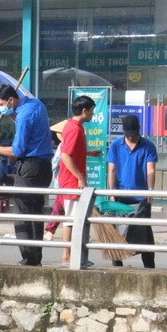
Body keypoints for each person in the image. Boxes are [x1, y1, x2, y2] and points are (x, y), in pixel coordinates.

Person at [0, 84, 55, 266]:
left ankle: (29, 257)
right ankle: (35, 257)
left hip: (31, 167)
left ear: (11, 100)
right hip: (44, 167)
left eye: (1, 104)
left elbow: (17, 150)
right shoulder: (36, 104)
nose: (1, 108)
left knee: (22, 212)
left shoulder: (23, 116)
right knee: (35, 213)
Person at [107, 114, 158, 269]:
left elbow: (151, 170)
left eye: (134, 134)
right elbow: (112, 170)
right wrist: (111, 192)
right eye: (129, 135)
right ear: (124, 132)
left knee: (144, 235)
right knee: (116, 235)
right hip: (120, 197)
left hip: (140, 197)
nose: (132, 137)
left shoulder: (148, 146)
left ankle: (150, 268)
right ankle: (117, 267)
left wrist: (150, 192)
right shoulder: (116, 146)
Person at [56, 95, 96, 268]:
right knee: (71, 220)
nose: (93, 114)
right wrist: (80, 177)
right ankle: (67, 256)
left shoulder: (72, 126)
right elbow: (65, 155)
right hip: (72, 182)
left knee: (76, 219)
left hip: (72, 180)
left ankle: (75, 256)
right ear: (85, 111)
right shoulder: (74, 129)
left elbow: (71, 151)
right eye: (92, 111)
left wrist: (88, 153)